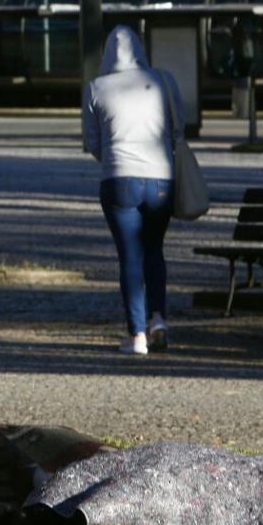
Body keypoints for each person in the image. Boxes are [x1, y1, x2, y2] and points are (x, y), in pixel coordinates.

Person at [82, 25, 183, 355]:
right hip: (162, 182)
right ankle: (159, 320)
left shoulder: (97, 87)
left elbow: (93, 144)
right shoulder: (164, 81)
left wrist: (116, 160)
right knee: (154, 249)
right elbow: (177, 130)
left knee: (130, 257)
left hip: (119, 180)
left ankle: (137, 334)